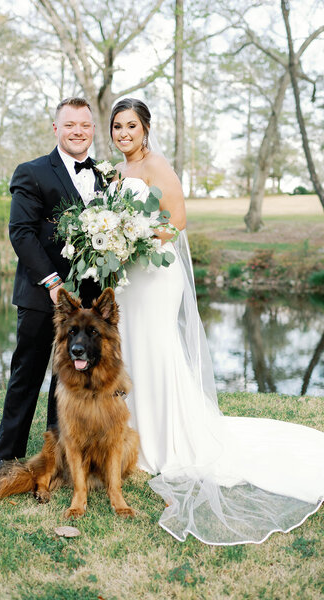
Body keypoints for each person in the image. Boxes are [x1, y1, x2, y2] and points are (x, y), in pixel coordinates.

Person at [108, 97, 324, 545]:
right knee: (132, 349)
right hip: (131, 275)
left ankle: (168, 443)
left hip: (155, 272)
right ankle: (137, 438)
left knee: (155, 347)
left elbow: (178, 220)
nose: (123, 133)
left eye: (131, 126)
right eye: (117, 127)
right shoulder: (118, 174)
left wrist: (134, 236)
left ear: (146, 129)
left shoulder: (156, 166)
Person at [0, 97, 102, 479]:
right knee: (27, 375)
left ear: (92, 130)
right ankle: (4, 457)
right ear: (56, 129)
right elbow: (21, 232)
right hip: (40, 294)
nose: (77, 131)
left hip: (85, 301)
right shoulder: (32, 172)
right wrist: (52, 281)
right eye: (69, 125)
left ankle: (59, 455)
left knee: (70, 377)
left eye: (84, 125)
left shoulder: (105, 176)